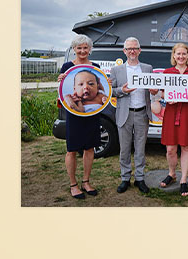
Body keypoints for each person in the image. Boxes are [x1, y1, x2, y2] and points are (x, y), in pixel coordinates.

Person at [110, 37, 158, 194]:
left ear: (139, 50)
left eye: (135, 48)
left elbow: (154, 88)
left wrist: (154, 90)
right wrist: (122, 91)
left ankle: (139, 178)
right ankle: (125, 178)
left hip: (142, 113)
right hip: (125, 113)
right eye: (129, 48)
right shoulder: (117, 70)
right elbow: (112, 91)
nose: (132, 51)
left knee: (140, 148)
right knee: (124, 149)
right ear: (124, 51)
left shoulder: (147, 68)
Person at [159, 43, 188, 196]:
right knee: (170, 148)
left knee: (186, 146)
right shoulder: (167, 72)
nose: (181, 57)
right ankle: (172, 173)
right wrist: (168, 98)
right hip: (172, 112)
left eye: (184, 54)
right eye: (178, 54)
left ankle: (183, 179)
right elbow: (163, 94)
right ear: (173, 56)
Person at [58, 34, 100, 199]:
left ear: (90, 49)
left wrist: (108, 84)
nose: (82, 51)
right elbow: (62, 90)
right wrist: (60, 79)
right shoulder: (67, 67)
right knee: (72, 150)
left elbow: (100, 87)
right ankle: (73, 184)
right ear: (74, 49)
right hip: (74, 114)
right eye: (79, 48)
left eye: (85, 48)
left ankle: (86, 181)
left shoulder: (95, 66)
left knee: (89, 148)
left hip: (91, 113)